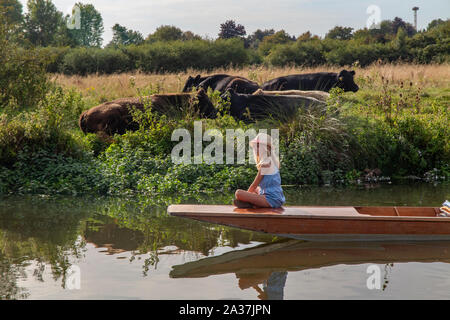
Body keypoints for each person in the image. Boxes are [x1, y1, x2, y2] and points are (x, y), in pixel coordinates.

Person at [234, 133, 285, 208]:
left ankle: (249, 203)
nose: (255, 148)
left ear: (266, 148)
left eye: (258, 146)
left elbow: (253, 185)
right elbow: (256, 187)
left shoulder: (265, 164)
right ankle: (253, 203)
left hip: (271, 199)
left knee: (238, 193)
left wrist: (245, 197)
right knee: (257, 189)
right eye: (255, 146)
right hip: (277, 198)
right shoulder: (272, 161)